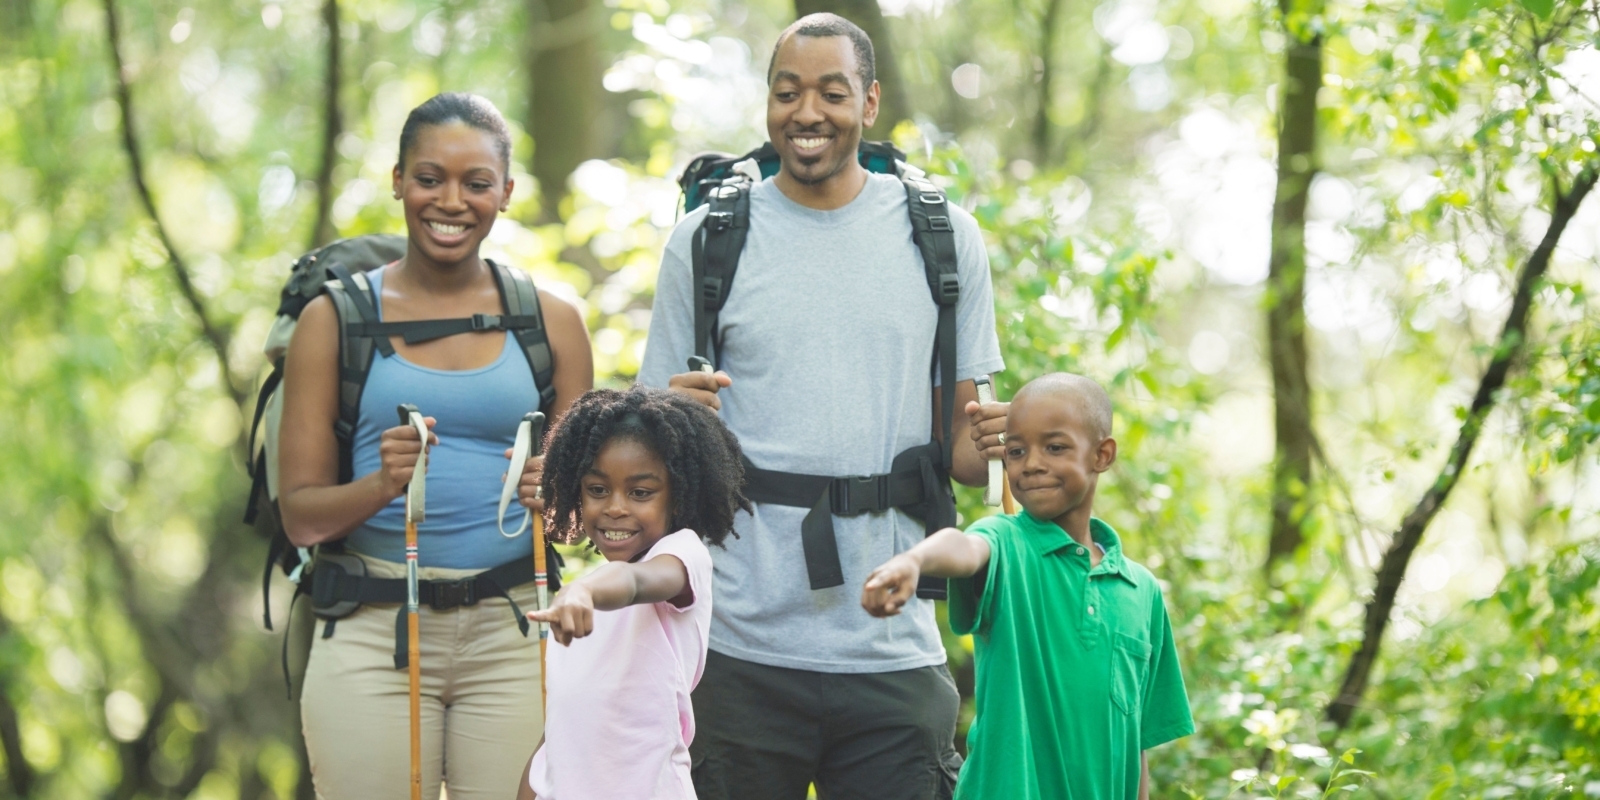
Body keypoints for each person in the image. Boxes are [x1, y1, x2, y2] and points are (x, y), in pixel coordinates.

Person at [638, 13, 1008, 800]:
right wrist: (671, 423)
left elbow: (967, 457)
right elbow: (646, 466)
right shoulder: (707, 243)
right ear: (767, 103)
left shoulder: (944, 239)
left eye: (832, 93)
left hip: (892, 649)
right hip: (736, 645)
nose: (807, 113)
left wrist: (1019, 441)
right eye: (787, 92)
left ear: (869, 104)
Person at [276, 92, 594, 800]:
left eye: (476, 183)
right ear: (397, 180)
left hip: (516, 631)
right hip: (368, 633)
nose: (451, 200)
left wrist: (558, 498)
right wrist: (379, 485)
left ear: (505, 193)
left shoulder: (554, 325)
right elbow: (299, 516)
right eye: (429, 178)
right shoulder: (333, 323)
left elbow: (583, 523)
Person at [861, 372, 1195, 800]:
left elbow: (1137, 743)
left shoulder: (1142, 591)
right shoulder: (1007, 541)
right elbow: (963, 547)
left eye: (1055, 448)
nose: (1032, 463)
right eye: (1016, 451)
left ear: (1102, 455)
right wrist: (914, 560)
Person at [514, 386, 751, 800]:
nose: (615, 508)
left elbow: (634, 583)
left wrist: (581, 590)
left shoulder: (680, 555)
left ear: (678, 497)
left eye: (640, 492)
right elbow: (558, 737)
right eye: (597, 490)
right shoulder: (585, 605)